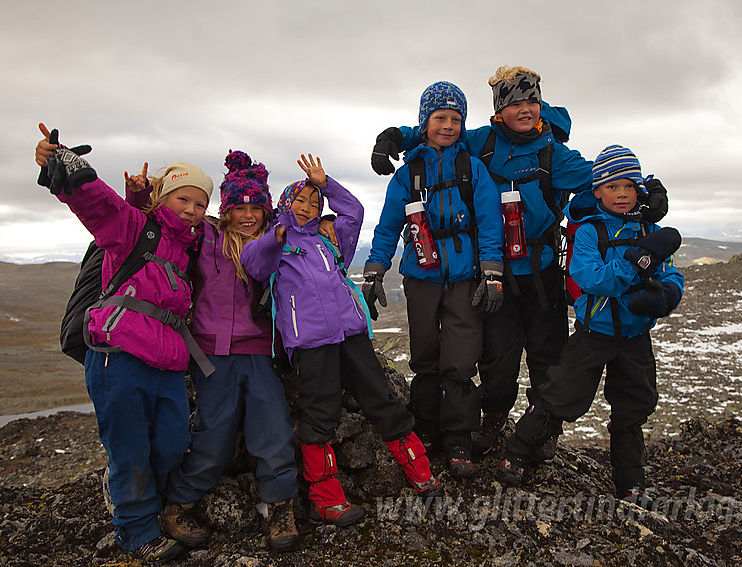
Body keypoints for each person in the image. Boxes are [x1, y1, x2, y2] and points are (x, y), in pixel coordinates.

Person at [371, 66, 671, 458]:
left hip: (542, 266)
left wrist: (648, 187)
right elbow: (443, 134)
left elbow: (607, 178)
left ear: (542, 106)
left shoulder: (555, 154)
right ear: (500, 110)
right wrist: (396, 137)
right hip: (493, 270)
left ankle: (542, 429)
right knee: (497, 353)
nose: (525, 109)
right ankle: (494, 419)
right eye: (515, 103)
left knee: (547, 351)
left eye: (532, 101)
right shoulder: (483, 143)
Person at [34, 123, 213, 563]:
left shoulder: (191, 246)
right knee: (129, 447)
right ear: (163, 197)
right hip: (119, 355)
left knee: (171, 443)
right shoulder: (134, 227)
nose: (191, 209)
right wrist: (66, 166)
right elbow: (99, 206)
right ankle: (136, 530)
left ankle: (142, 503)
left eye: (200, 203)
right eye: (182, 198)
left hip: (168, 360)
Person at [241, 155, 444, 528]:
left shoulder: (328, 240)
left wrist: (326, 183)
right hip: (311, 343)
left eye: (315, 204)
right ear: (285, 204)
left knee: (381, 398)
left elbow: (354, 212)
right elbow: (253, 262)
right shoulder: (275, 246)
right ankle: (327, 500)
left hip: (351, 334)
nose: (308, 208)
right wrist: (274, 237)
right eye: (301, 201)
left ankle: (421, 473)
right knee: (319, 415)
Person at [120, 152, 302, 553]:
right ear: (226, 209)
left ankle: (281, 509)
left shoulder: (275, 239)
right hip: (210, 353)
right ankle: (178, 505)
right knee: (214, 436)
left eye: (257, 207)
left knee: (273, 428)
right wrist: (137, 200)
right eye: (239, 207)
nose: (249, 215)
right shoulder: (204, 235)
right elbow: (158, 232)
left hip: (257, 351)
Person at [495, 145, 684, 509]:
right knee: (558, 398)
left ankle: (630, 481)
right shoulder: (589, 231)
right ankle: (516, 454)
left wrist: (668, 295)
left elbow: (670, 270)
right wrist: (636, 264)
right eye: (613, 187)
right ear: (597, 191)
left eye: (629, 186)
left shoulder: (651, 229)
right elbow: (589, 276)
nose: (623, 194)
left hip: (635, 337)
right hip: (594, 333)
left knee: (632, 409)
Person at [363, 81, 504, 478]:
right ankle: (426, 430)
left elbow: (491, 220)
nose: (448, 126)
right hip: (421, 277)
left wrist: (492, 272)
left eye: (455, 119)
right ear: (424, 122)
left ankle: (459, 438)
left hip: (464, 277)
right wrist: (375, 270)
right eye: (440, 118)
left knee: (459, 361)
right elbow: (389, 224)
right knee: (425, 356)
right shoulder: (409, 172)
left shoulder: (471, 168)